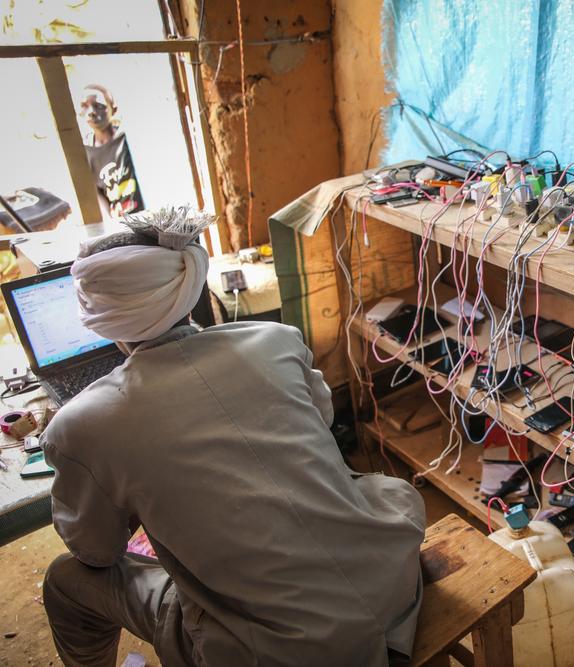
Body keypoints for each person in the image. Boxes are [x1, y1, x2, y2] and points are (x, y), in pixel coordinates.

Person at [41, 207, 425, 667]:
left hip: (281, 654)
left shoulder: (84, 424)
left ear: (99, 317)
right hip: (393, 590)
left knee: (67, 578)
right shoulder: (276, 340)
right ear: (189, 282)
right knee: (363, 489)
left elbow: (96, 551)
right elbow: (319, 425)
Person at [79, 84, 145, 220]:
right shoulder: (86, 153)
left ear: (112, 108)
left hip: (147, 215)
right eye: (85, 106)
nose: (91, 111)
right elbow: (95, 192)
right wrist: (111, 220)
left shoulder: (128, 138)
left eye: (98, 105)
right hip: (122, 222)